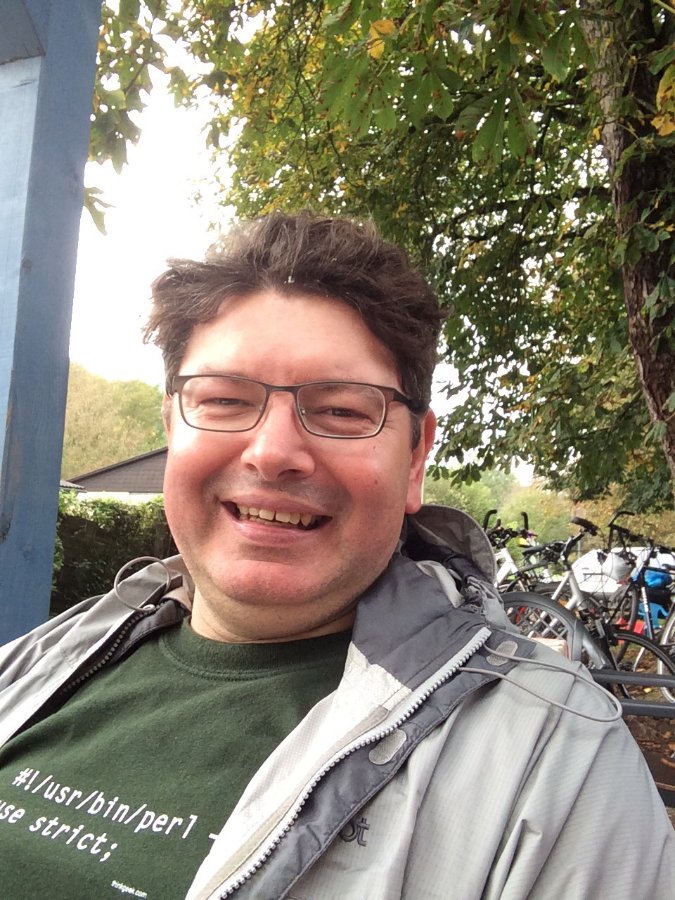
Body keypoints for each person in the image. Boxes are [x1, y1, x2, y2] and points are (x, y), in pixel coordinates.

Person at [0, 211, 673, 899]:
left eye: (343, 411)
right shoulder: (39, 659)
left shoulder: (557, 764)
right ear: (173, 425)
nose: (272, 453)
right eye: (225, 399)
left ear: (415, 457)